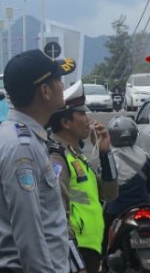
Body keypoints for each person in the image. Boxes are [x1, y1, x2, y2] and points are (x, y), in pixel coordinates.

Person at [0, 49, 80, 273]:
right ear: (45, 91)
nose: (62, 85)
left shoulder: (15, 136)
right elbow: (30, 236)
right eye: (58, 79)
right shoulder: (21, 147)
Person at [48, 80, 118, 273]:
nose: (88, 119)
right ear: (65, 122)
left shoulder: (75, 154)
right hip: (75, 253)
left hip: (91, 249)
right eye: (82, 114)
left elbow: (109, 194)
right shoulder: (57, 157)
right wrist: (78, 266)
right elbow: (57, 217)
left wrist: (105, 153)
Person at [103, 117, 150, 249]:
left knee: (103, 236)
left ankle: (103, 261)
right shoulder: (144, 155)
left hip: (117, 210)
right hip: (144, 207)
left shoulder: (110, 157)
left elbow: (105, 186)